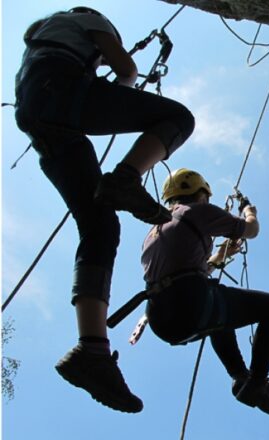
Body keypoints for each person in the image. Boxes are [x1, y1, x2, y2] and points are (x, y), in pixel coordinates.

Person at [13, 7, 195, 413]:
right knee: (178, 117)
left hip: (40, 117)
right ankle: (126, 178)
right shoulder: (85, 17)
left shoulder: (39, 44)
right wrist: (120, 85)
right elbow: (126, 69)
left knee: (99, 227)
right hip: (60, 90)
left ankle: (91, 350)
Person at [141, 168, 269, 417]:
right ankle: (256, 383)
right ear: (200, 193)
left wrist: (220, 255)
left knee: (219, 315)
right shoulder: (197, 211)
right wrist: (250, 212)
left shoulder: (155, 230)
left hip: (162, 319)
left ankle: (241, 377)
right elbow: (251, 230)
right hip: (190, 302)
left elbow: (180, 270)